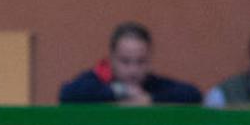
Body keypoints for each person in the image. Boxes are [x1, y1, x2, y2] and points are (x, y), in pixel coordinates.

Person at [59, 22, 201, 104]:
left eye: (141, 61)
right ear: (112, 57)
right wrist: (120, 91)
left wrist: (150, 98)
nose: (133, 70)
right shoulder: (96, 80)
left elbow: (193, 94)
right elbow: (67, 94)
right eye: (125, 61)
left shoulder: (153, 85)